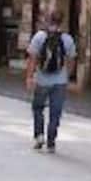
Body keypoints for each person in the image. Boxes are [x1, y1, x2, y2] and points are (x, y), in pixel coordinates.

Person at [25, 10, 76, 153]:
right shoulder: (67, 39)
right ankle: (51, 142)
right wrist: (66, 76)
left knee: (38, 108)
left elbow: (32, 59)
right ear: (62, 22)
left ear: (48, 20)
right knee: (55, 112)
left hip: (42, 80)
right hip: (60, 81)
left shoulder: (39, 37)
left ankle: (39, 136)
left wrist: (29, 77)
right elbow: (71, 60)